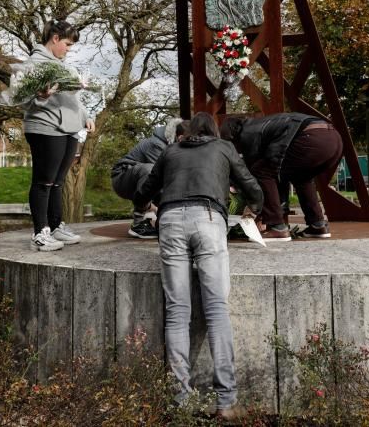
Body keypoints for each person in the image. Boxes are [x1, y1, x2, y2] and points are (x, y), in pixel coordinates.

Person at [135, 112, 263, 421]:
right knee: (216, 308)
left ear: (189, 131)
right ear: (214, 131)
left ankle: (180, 400)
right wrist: (253, 209)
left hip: (170, 221)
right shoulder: (223, 148)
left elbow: (143, 192)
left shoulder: (170, 151)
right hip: (208, 219)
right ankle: (226, 402)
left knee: (177, 310)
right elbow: (251, 186)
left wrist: (145, 209)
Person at [22, 19, 95, 252]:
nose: (68, 49)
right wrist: (41, 96)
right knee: (44, 181)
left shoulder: (64, 65)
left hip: (70, 129)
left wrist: (86, 115)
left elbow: (73, 98)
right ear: (55, 39)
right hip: (45, 128)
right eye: (67, 44)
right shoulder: (34, 63)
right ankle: (40, 233)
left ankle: (55, 227)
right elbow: (23, 99)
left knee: (58, 182)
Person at [220, 112, 343, 240]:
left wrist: (255, 208)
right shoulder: (260, 125)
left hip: (311, 138)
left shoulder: (248, 133)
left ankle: (277, 227)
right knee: (302, 177)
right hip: (334, 139)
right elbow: (277, 172)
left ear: (231, 136)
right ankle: (318, 225)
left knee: (261, 171)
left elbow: (250, 176)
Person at [111, 118, 185, 239]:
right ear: (178, 136)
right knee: (151, 171)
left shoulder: (168, 146)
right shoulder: (157, 145)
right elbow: (162, 179)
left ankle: (148, 215)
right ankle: (138, 224)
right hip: (121, 178)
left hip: (134, 180)